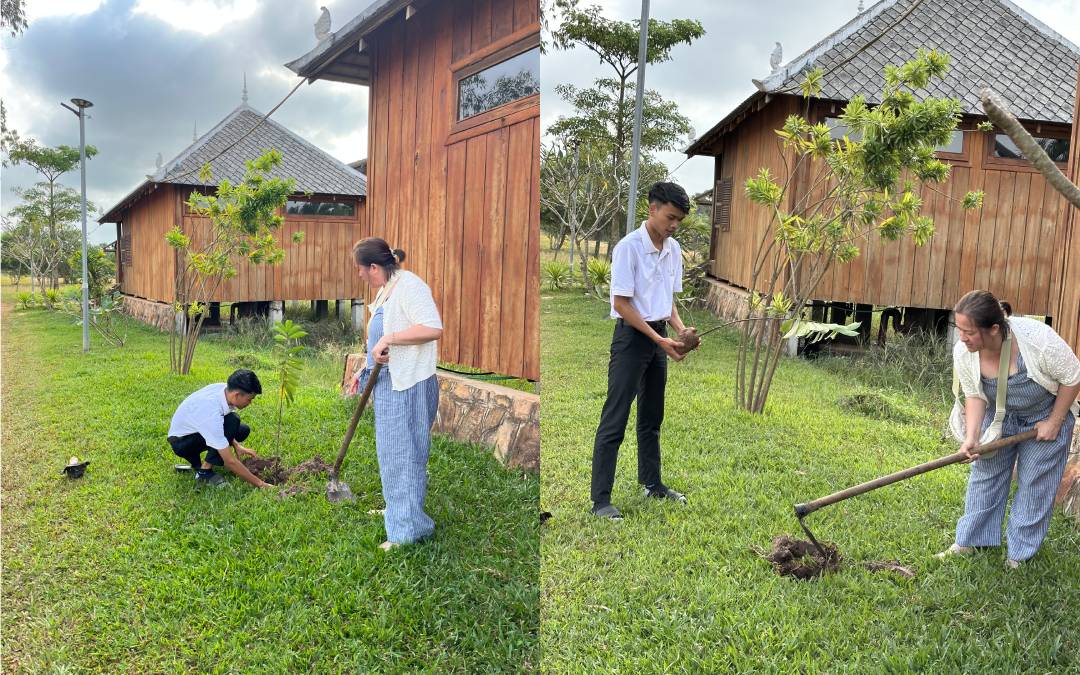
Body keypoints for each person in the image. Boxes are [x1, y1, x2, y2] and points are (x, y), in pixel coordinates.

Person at [937, 290, 1080, 567]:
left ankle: (1018, 555)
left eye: (969, 332)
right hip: (998, 417)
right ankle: (972, 540)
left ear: (994, 329)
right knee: (985, 475)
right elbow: (975, 395)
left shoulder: (1037, 340)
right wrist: (972, 437)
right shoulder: (965, 352)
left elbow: (1073, 377)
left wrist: (1054, 422)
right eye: (959, 329)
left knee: (1035, 484)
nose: (962, 337)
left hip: (1043, 416)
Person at [589, 181, 698, 520]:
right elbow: (621, 303)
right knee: (615, 417)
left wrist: (680, 331)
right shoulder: (629, 248)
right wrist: (658, 339)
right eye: (670, 217)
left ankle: (652, 484)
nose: (674, 225)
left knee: (652, 417)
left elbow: (668, 300)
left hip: (659, 336)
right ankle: (601, 501)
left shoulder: (673, 249)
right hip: (632, 340)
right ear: (652, 209)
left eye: (679, 219)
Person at [350, 238, 443, 551]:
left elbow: (432, 328)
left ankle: (407, 531)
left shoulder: (410, 287)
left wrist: (391, 337)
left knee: (404, 455)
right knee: (391, 455)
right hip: (389, 383)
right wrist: (362, 370)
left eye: (361, 269)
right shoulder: (386, 289)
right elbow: (377, 343)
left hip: (409, 386)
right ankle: (398, 509)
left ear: (374, 267)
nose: (360, 275)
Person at [167, 369, 272, 489]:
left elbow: (220, 428)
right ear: (237, 395)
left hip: (193, 433)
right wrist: (261, 484)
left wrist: (237, 446)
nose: (250, 403)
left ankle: (197, 465)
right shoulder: (211, 410)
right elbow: (230, 461)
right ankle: (204, 472)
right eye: (249, 399)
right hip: (182, 443)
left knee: (242, 430)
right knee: (233, 420)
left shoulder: (224, 390)